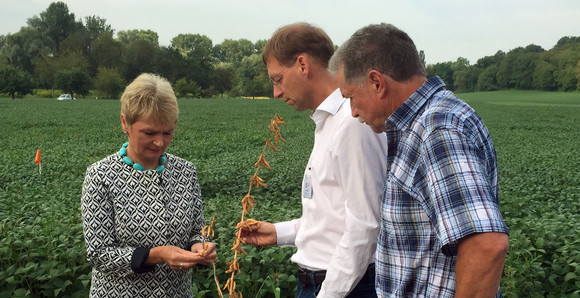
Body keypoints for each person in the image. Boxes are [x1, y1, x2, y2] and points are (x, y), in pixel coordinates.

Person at [328, 23, 510, 297]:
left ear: (377, 82)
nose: (353, 111)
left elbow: (486, 245)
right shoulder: (421, 124)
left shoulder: (436, 129)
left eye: (351, 97)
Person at [238, 23, 388, 297]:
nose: (276, 93)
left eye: (277, 79)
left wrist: (328, 294)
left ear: (303, 64)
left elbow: (366, 226)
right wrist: (277, 233)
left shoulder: (351, 123)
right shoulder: (328, 123)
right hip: (325, 283)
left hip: (343, 287)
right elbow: (332, 218)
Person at [81, 73, 217, 297]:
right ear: (126, 122)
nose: (160, 142)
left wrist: (200, 246)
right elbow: (99, 253)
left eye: (167, 132)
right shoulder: (101, 176)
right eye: (149, 132)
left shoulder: (185, 171)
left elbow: (197, 230)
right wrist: (157, 254)